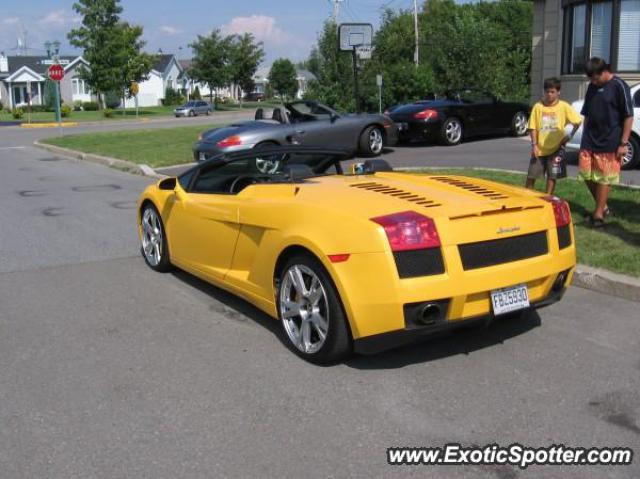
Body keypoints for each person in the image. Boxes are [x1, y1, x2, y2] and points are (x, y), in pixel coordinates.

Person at [579, 57, 634, 227]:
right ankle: (604, 207)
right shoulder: (592, 87)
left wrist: (623, 143)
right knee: (586, 175)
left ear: (604, 72)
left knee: (604, 177)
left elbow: (628, 116)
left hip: (610, 140)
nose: (593, 82)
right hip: (589, 138)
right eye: (591, 79)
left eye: (595, 78)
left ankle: (598, 215)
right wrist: (584, 134)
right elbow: (587, 112)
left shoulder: (619, 86)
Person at [526, 77, 582, 194]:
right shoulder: (538, 107)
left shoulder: (564, 106)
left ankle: (548, 197)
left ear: (558, 92)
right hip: (540, 149)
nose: (549, 95)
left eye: (552, 92)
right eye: (547, 92)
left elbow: (577, 121)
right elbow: (533, 127)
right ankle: (527, 197)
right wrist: (534, 145)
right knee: (532, 175)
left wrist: (569, 136)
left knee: (552, 176)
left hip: (556, 148)